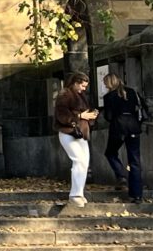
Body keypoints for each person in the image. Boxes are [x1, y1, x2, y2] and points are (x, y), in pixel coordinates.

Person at [53, 71, 99, 207]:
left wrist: (89, 116)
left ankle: (79, 193)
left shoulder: (80, 96)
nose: (84, 89)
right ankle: (75, 194)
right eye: (82, 86)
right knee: (79, 160)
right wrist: (80, 116)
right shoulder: (65, 94)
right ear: (75, 83)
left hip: (80, 133)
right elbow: (61, 115)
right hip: (68, 132)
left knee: (84, 162)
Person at [102, 73, 144, 203]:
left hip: (118, 127)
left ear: (109, 83)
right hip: (133, 126)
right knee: (134, 161)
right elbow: (141, 108)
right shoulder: (132, 92)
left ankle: (121, 175)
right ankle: (136, 195)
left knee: (110, 152)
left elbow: (108, 116)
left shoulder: (109, 96)